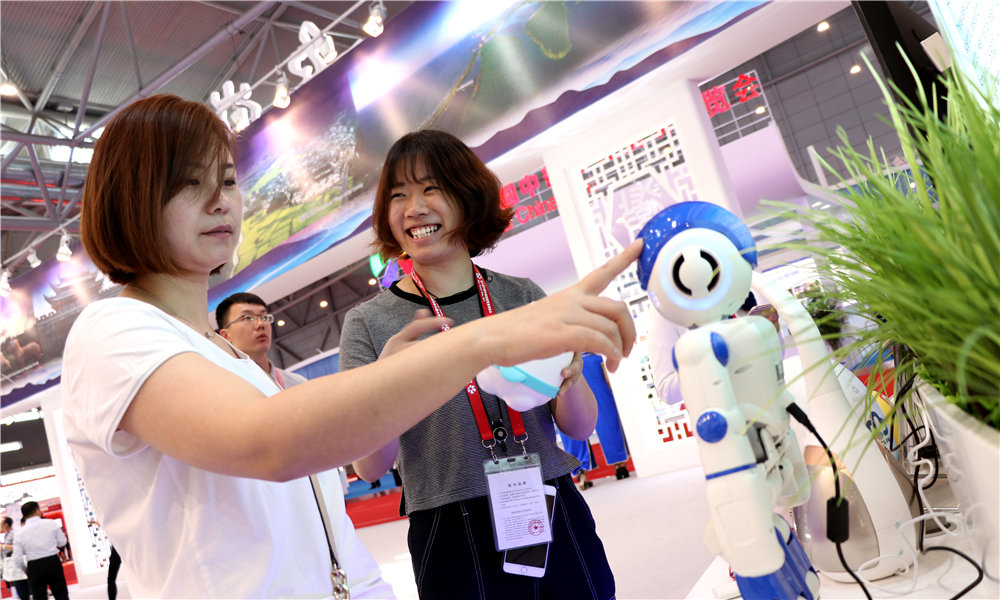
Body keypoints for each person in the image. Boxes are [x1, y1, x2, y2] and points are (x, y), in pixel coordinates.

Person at [60, 94, 641, 598]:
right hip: (449, 523)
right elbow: (271, 442)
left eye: (228, 180)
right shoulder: (113, 332)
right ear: (130, 198)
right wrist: (483, 341)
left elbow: (319, 527)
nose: (221, 201)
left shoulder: (229, 359)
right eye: (191, 182)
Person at [341, 129, 617, 599]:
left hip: (549, 500)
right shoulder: (369, 323)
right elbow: (369, 467)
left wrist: (570, 380)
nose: (414, 208)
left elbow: (579, 425)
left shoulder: (521, 296)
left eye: (431, 188)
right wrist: (386, 386)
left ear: (467, 195)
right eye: (398, 195)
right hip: (448, 527)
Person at [214, 291, 392, 596]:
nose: (260, 324)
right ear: (224, 335)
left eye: (264, 316)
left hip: (322, 505)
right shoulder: (225, 394)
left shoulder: (297, 384)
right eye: (247, 318)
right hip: (270, 519)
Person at [10, 502, 67, 600]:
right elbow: (62, 542)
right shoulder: (51, 523)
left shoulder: (19, 534)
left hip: (34, 566)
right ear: (37, 510)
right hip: (52, 561)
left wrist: (25, 569)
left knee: (39, 596)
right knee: (61, 594)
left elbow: (17, 558)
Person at [1, 516, 31, 600]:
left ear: (6, 524)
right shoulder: (7, 534)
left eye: (1, 524)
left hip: (17, 562)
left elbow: (17, 547)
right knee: (19, 587)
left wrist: (3, 547)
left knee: (21, 586)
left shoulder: (13, 533)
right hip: (11, 563)